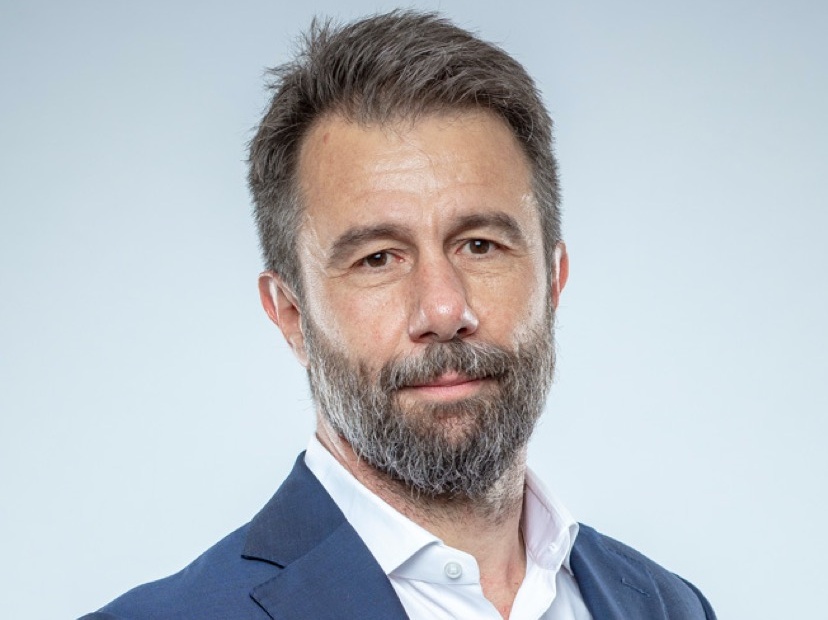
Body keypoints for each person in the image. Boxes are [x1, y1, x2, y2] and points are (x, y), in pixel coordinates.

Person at [82, 10, 716, 619]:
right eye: (378, 258)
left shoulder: (667, 605)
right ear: (291, 315)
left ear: (553, 280)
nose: (443, 309)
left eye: (480, 245)